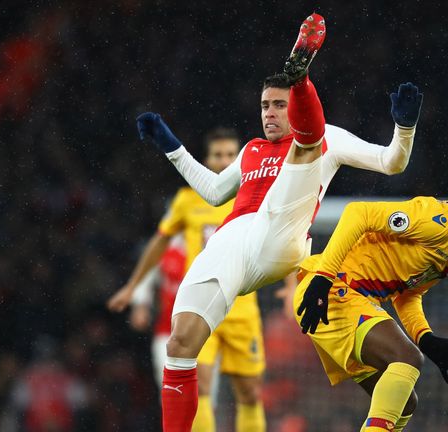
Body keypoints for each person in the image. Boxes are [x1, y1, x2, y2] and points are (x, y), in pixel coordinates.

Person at [130, 13, 424, 431]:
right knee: (180, 344)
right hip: (234, 239)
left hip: (283, 235)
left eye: (279, 105)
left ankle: (300, 71)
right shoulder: (250, 149)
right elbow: (215, 193)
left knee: (308, 146)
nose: (269, 113)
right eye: (265, 105)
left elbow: (391, 162)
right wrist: (171, 146)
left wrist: (405, 127)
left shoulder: (331, 138)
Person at [295, 177, 448, 432]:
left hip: (348, 298)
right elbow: (358, 213)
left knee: (404, 404)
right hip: (332, 290)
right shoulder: (437, 221)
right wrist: (323, 280)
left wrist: (425, 337)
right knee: (407, 357)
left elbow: (408, 293)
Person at [107, 128, 273, 432]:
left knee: (250, 393)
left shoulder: (256, 194)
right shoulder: (187, 200)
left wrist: (292, 284)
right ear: (206, 159)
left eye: (229, 155)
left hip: (243, 310)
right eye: (217, 155)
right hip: (203, 304)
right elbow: (159, 242)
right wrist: (132, 287)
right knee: (202, 386)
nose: (224, 161)